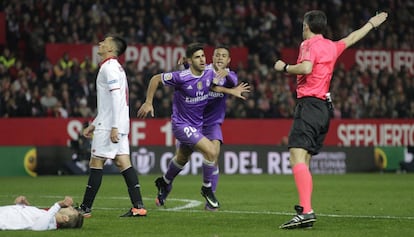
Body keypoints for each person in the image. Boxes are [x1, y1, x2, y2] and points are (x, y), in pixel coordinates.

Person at [274, 10, 388, 229]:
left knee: (296, 156)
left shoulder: (307, 45)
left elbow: (306, 67)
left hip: (309, 105)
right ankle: (304, 207)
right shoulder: (331, 46)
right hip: (324, 108)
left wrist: (284, 67)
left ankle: (307, 211)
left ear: (306, 26)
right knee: (304, 158)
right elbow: (353, 37)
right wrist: (371, 24)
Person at [137, 43, 248, 211]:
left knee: (182, 157)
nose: (203, 59)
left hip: (204, 123)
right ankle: (207, 190)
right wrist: (148, 102)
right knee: (211, 151)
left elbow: (224, 82)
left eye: (203, 56)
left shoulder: (212, 73)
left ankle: (165, 183)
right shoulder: (183, 76)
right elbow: (156, 78)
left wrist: (230, 90)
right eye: (198, 57)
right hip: (183, 124)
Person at [78, 35, 147, 218]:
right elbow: (109, 102)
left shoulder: (109, 68)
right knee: (123, 162)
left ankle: (85, 208)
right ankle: (138, 206)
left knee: (96, 162)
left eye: (104, 42)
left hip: (110, 126)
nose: (100, 43)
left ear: (110, 49)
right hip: (117, 123)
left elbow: (116, 98)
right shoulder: (117, 68)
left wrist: (114, 126)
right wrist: (94, 124)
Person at [176, 46, 238, 210]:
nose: (220, 58)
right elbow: (191, 78)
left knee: (214, 154)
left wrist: (226, 75)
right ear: (212, 57)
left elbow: (234, 82)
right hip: (194, 122)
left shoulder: (230, 75)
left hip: (212, 124)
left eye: (224, 56)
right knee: (182, 158)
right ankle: (165, 185)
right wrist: (184, 65)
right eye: (217, 55)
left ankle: (210, 199)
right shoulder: (204, 71)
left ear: (228, 60)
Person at [0, 195, 83, 231]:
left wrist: (58, 205)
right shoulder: (47, 215)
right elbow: (28, 218)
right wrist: (21, 205)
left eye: (72, 210)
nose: (70, 207)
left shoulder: (49, 223)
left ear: (65, 218)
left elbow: (38, 227)